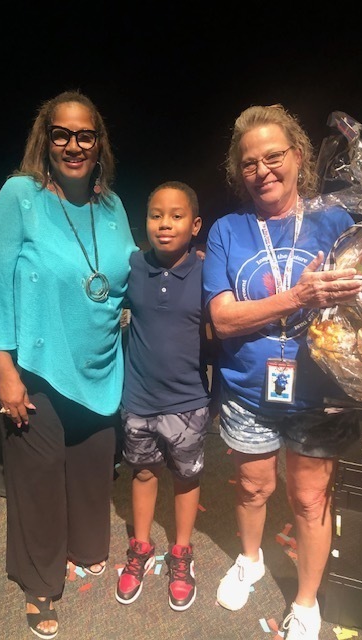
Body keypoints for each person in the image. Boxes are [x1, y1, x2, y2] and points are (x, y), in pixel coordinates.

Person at [0, 89, 137, 639]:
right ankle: (38, 583)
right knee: (38, 479)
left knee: (92, 467)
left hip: (100, 363)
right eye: (62, 134)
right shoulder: (20, 195)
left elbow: (126, 275)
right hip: (36, 367)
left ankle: (84, 547)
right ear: (46, 140)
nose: (73, 145)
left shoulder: (112, 207)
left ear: (98, 142)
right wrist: (4, 371)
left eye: (85, 135)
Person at [202, 104, 362, 640]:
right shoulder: (228, 231)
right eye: (249, 163)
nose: (262, 170)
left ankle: (307, 601)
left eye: (273, 157)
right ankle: (250, 560)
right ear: (238, 171)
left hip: (319, 395)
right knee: (253, 488)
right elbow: (223, 320)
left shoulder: (334, 221)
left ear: (298, 157)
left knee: (309, 499)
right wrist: (298, 297)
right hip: (248, 391)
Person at [115, 181, 211, 612]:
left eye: (176, 216)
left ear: (195, 225)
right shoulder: (133, 265)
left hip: (188, 402)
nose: (165, 224)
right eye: (156, 215)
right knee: (143, 473)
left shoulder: (207, 271)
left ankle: (181, 552)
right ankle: (141, 547)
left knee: (186, 477)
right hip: (138, 399)